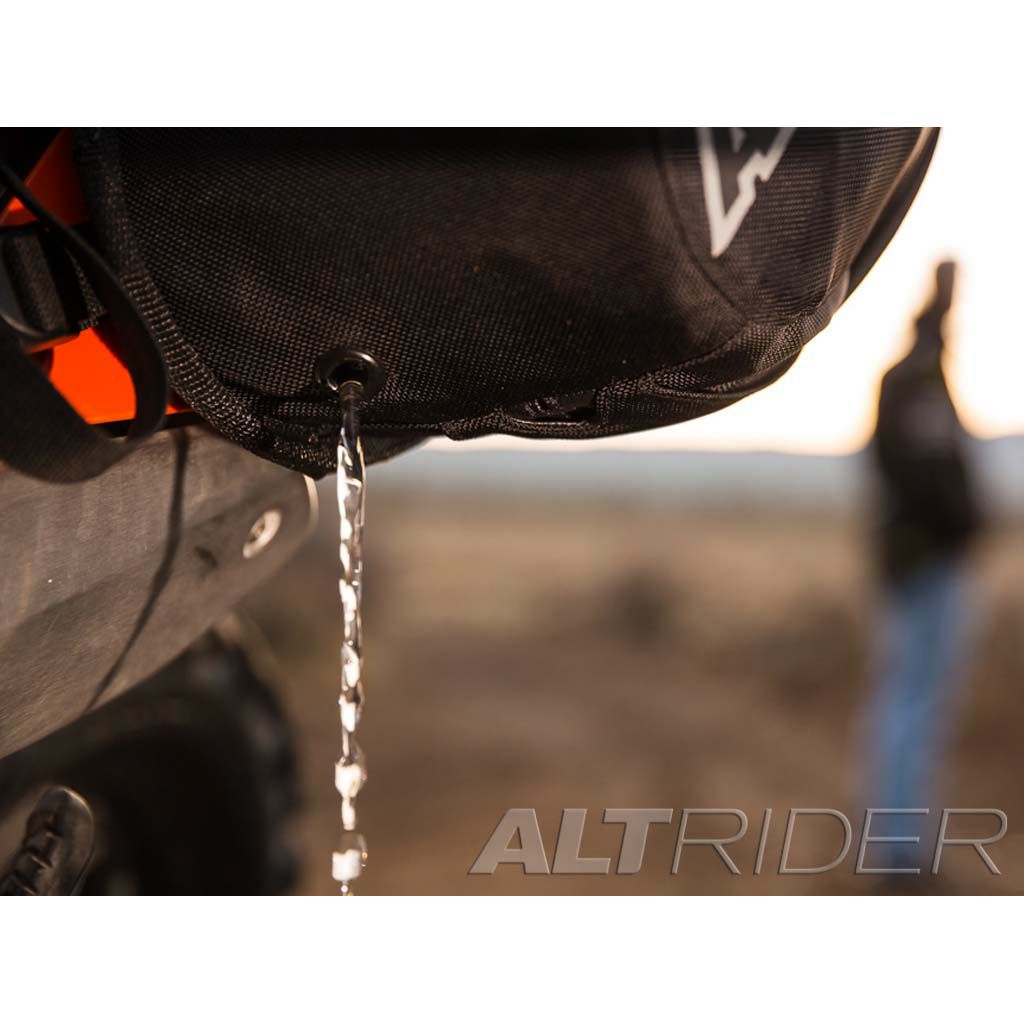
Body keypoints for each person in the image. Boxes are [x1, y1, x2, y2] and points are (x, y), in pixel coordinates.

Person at [864, 260, 982, 875]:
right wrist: (962, 526)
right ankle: (899, 854)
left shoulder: (917, 380)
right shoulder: (915, 381)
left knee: (913, 702)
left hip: (922, 561)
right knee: (913, 703)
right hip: (924, 566)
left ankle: (902, 846)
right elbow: (922, 478)